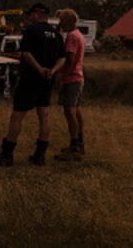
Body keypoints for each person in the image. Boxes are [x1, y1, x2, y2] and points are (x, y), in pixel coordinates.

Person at [0, 3, 64, 166]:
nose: (29, 18)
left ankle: (7, 154)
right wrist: (52, 71)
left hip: (30, 78)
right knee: (44, 115)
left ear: (37, 14)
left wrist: (39, 69)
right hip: (47, 79)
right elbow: (63, 57)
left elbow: (26, 53)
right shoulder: (56, 34)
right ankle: (39, 155)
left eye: (31, 14)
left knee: (17, 115)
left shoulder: (31, 31)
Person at [54, 8, 86, 161]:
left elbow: (70, 59)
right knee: (76, 110)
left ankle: (74, 145)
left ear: (69, 21)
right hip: (78, 77)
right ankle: (79, 141)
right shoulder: (79, 34)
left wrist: (59, 74)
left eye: (62, 21)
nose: (60, 24)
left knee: (69, 111)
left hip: (71, 78)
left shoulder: (72, 37)